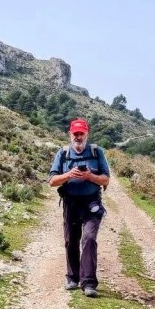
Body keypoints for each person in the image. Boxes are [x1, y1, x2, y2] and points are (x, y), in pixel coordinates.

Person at [48, 118, 110, 298]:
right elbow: (52, 181)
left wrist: (90, 176)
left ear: (86, 134)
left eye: (81, 133)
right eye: (75, 134)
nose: (78, 137)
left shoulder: (97, 152)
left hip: (92, 204)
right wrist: (68, 174)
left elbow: (106, 179)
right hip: (71, 203)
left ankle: (89, 283)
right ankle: (73, 278)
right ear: (70, 134)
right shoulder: (63, 153)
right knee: (71, 240)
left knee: (89, 239)